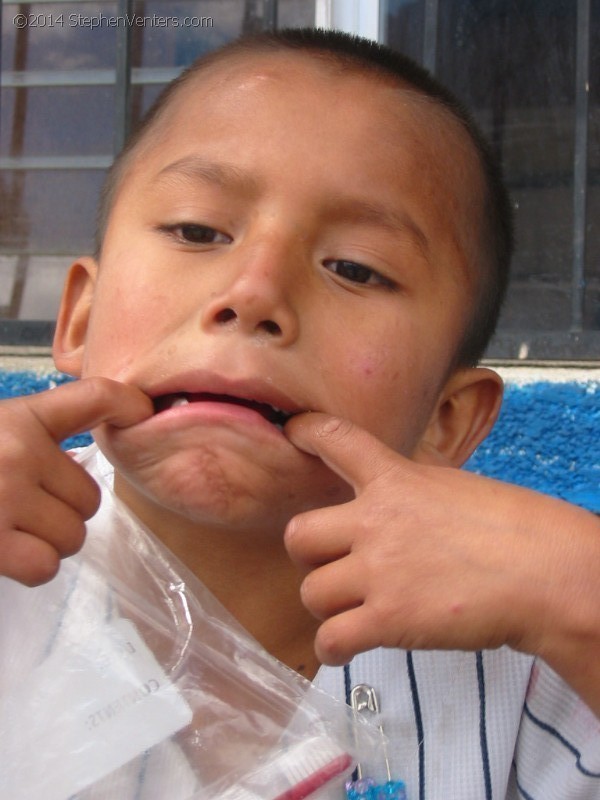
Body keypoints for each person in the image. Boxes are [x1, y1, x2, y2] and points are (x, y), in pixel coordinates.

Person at [0, 27, 599, 799]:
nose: (254, 293)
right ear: (79, 318)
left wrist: (579, 587)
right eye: (197, 231)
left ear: (448, 420)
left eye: (355, 268)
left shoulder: (534, 651)